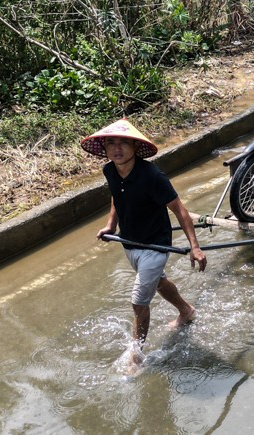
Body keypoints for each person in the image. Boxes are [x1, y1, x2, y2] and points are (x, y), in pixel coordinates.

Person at [83, 119, 207, 362]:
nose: (117, 149)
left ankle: (136, 355)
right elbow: (116, 196)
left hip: (155, 245)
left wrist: (194, 246)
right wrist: (111, 225)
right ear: (105, 149)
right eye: (111, 143)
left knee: (138, 303)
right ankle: (186, 311)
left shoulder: (152, 176)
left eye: (123, 143)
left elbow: (179, 210)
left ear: (134, 147)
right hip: (130, 242)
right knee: (159, 283)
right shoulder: (110, 170)